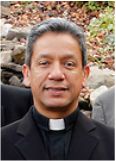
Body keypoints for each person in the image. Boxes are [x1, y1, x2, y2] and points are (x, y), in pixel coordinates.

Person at [1, 18, 114, 160]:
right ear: (27, 73)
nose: (56, 74)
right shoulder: (3, 144)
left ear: (84, 75)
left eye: (69, 64)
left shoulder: (111, 144)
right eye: (44, 63)